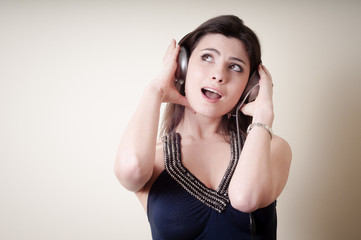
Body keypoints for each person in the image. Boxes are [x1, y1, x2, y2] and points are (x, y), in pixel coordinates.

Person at [114, 15, 292, 240]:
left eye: (235, 67)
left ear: (251, 85)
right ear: (182, 67)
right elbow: (130, 170)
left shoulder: (273, 148)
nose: (219, 75)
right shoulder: (152, 157)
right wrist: (155, 90)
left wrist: (263, 116)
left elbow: (246, 198)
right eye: (207, 57)